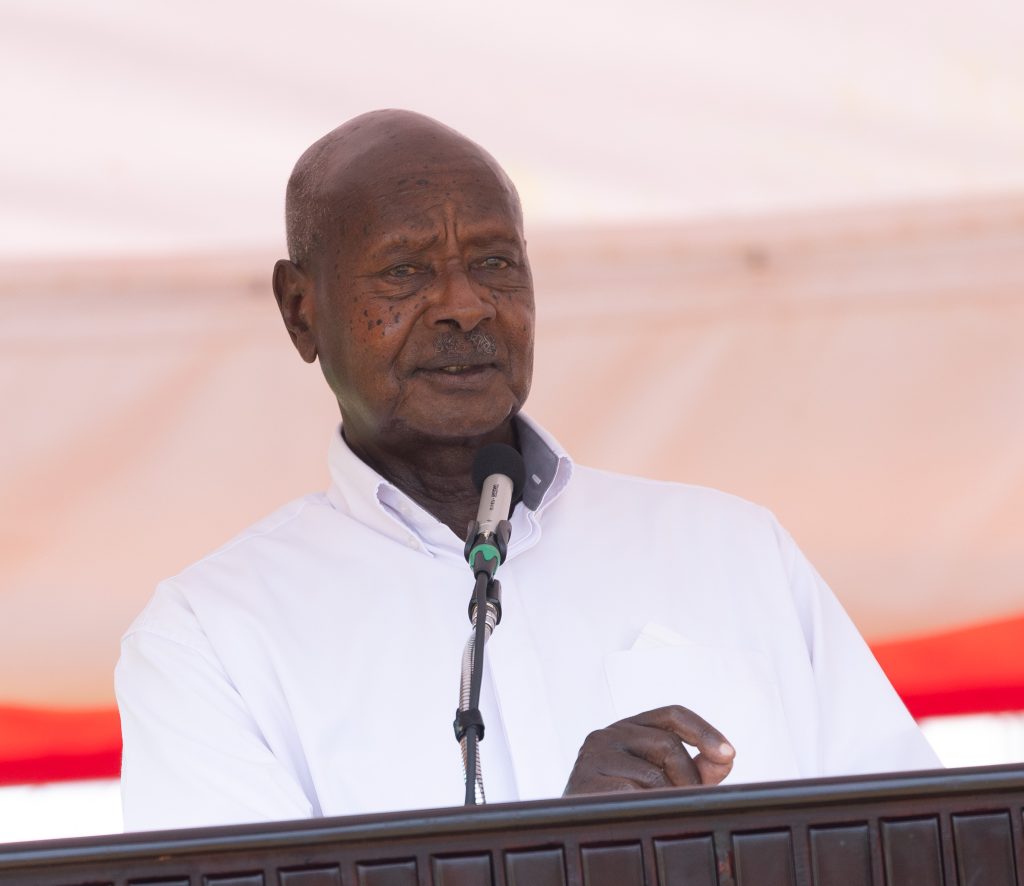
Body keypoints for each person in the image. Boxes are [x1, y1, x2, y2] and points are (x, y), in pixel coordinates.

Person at [116, 109, 939, 832]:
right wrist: (564, 862)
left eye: (495, 262)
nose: (465, 305)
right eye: (405, 270)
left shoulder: (734, 550)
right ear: (302, 310)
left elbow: (927, 846)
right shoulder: (211, 638)